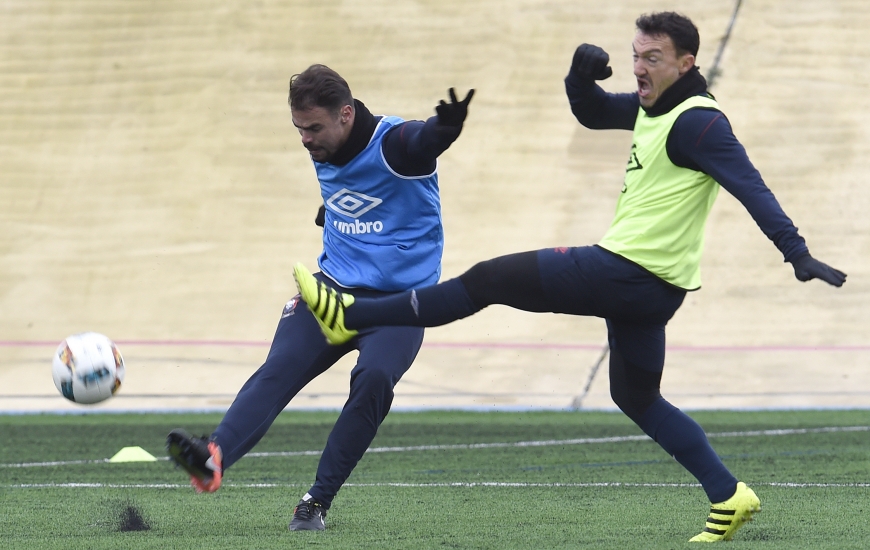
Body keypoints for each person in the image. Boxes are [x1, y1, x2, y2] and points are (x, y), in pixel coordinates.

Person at [291, 12, 846, 543]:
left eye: (653, 58)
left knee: (485, 280)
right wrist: (579, 77)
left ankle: (354, 315)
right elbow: (594, 110)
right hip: (654, 290)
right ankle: (729, 496)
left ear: (687, 62)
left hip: (623, 271)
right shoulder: (660, 109)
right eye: (636, 56)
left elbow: (752, 186)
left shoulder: (698, 123)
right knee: (637, 397)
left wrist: (795, 252)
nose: (639, 68)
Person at [166, 64, 475, 531]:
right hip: (331, 289)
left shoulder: (392, 145)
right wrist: (328, 211)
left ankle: (316, 502)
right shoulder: (325, 146)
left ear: (346, 115)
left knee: (373, 379)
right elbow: (353, 193)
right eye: (299, 129)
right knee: (278, 370)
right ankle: (213, 458)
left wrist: (444, 130)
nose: (306, 139)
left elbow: (419, 142)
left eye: (314, 127)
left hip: (399, 303)